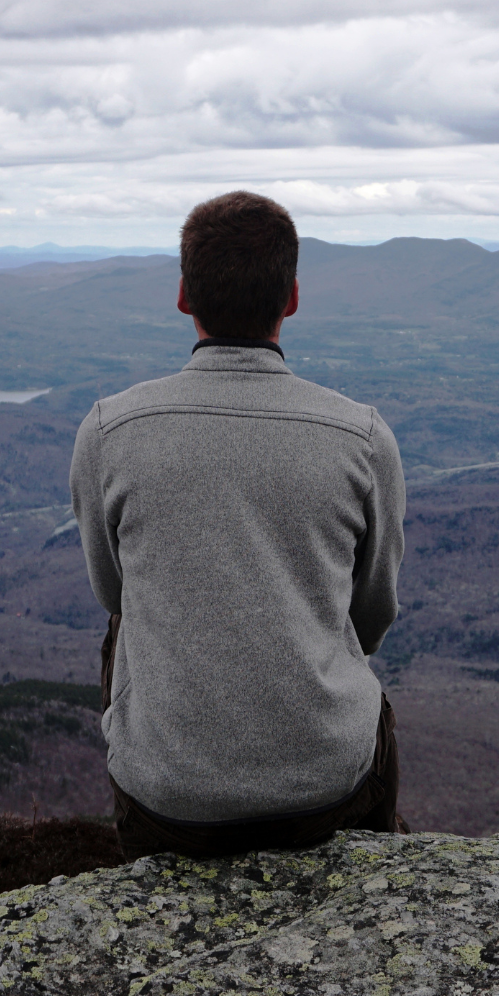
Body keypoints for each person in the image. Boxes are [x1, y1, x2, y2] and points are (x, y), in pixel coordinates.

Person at [69, 190, 407, 860]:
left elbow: (113, 595)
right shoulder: (362, 438)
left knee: (126, 623)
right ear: (292, 299)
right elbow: (371, 616)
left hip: (166, 802)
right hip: (328, 791)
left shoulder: (109, 430)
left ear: (183, 297)